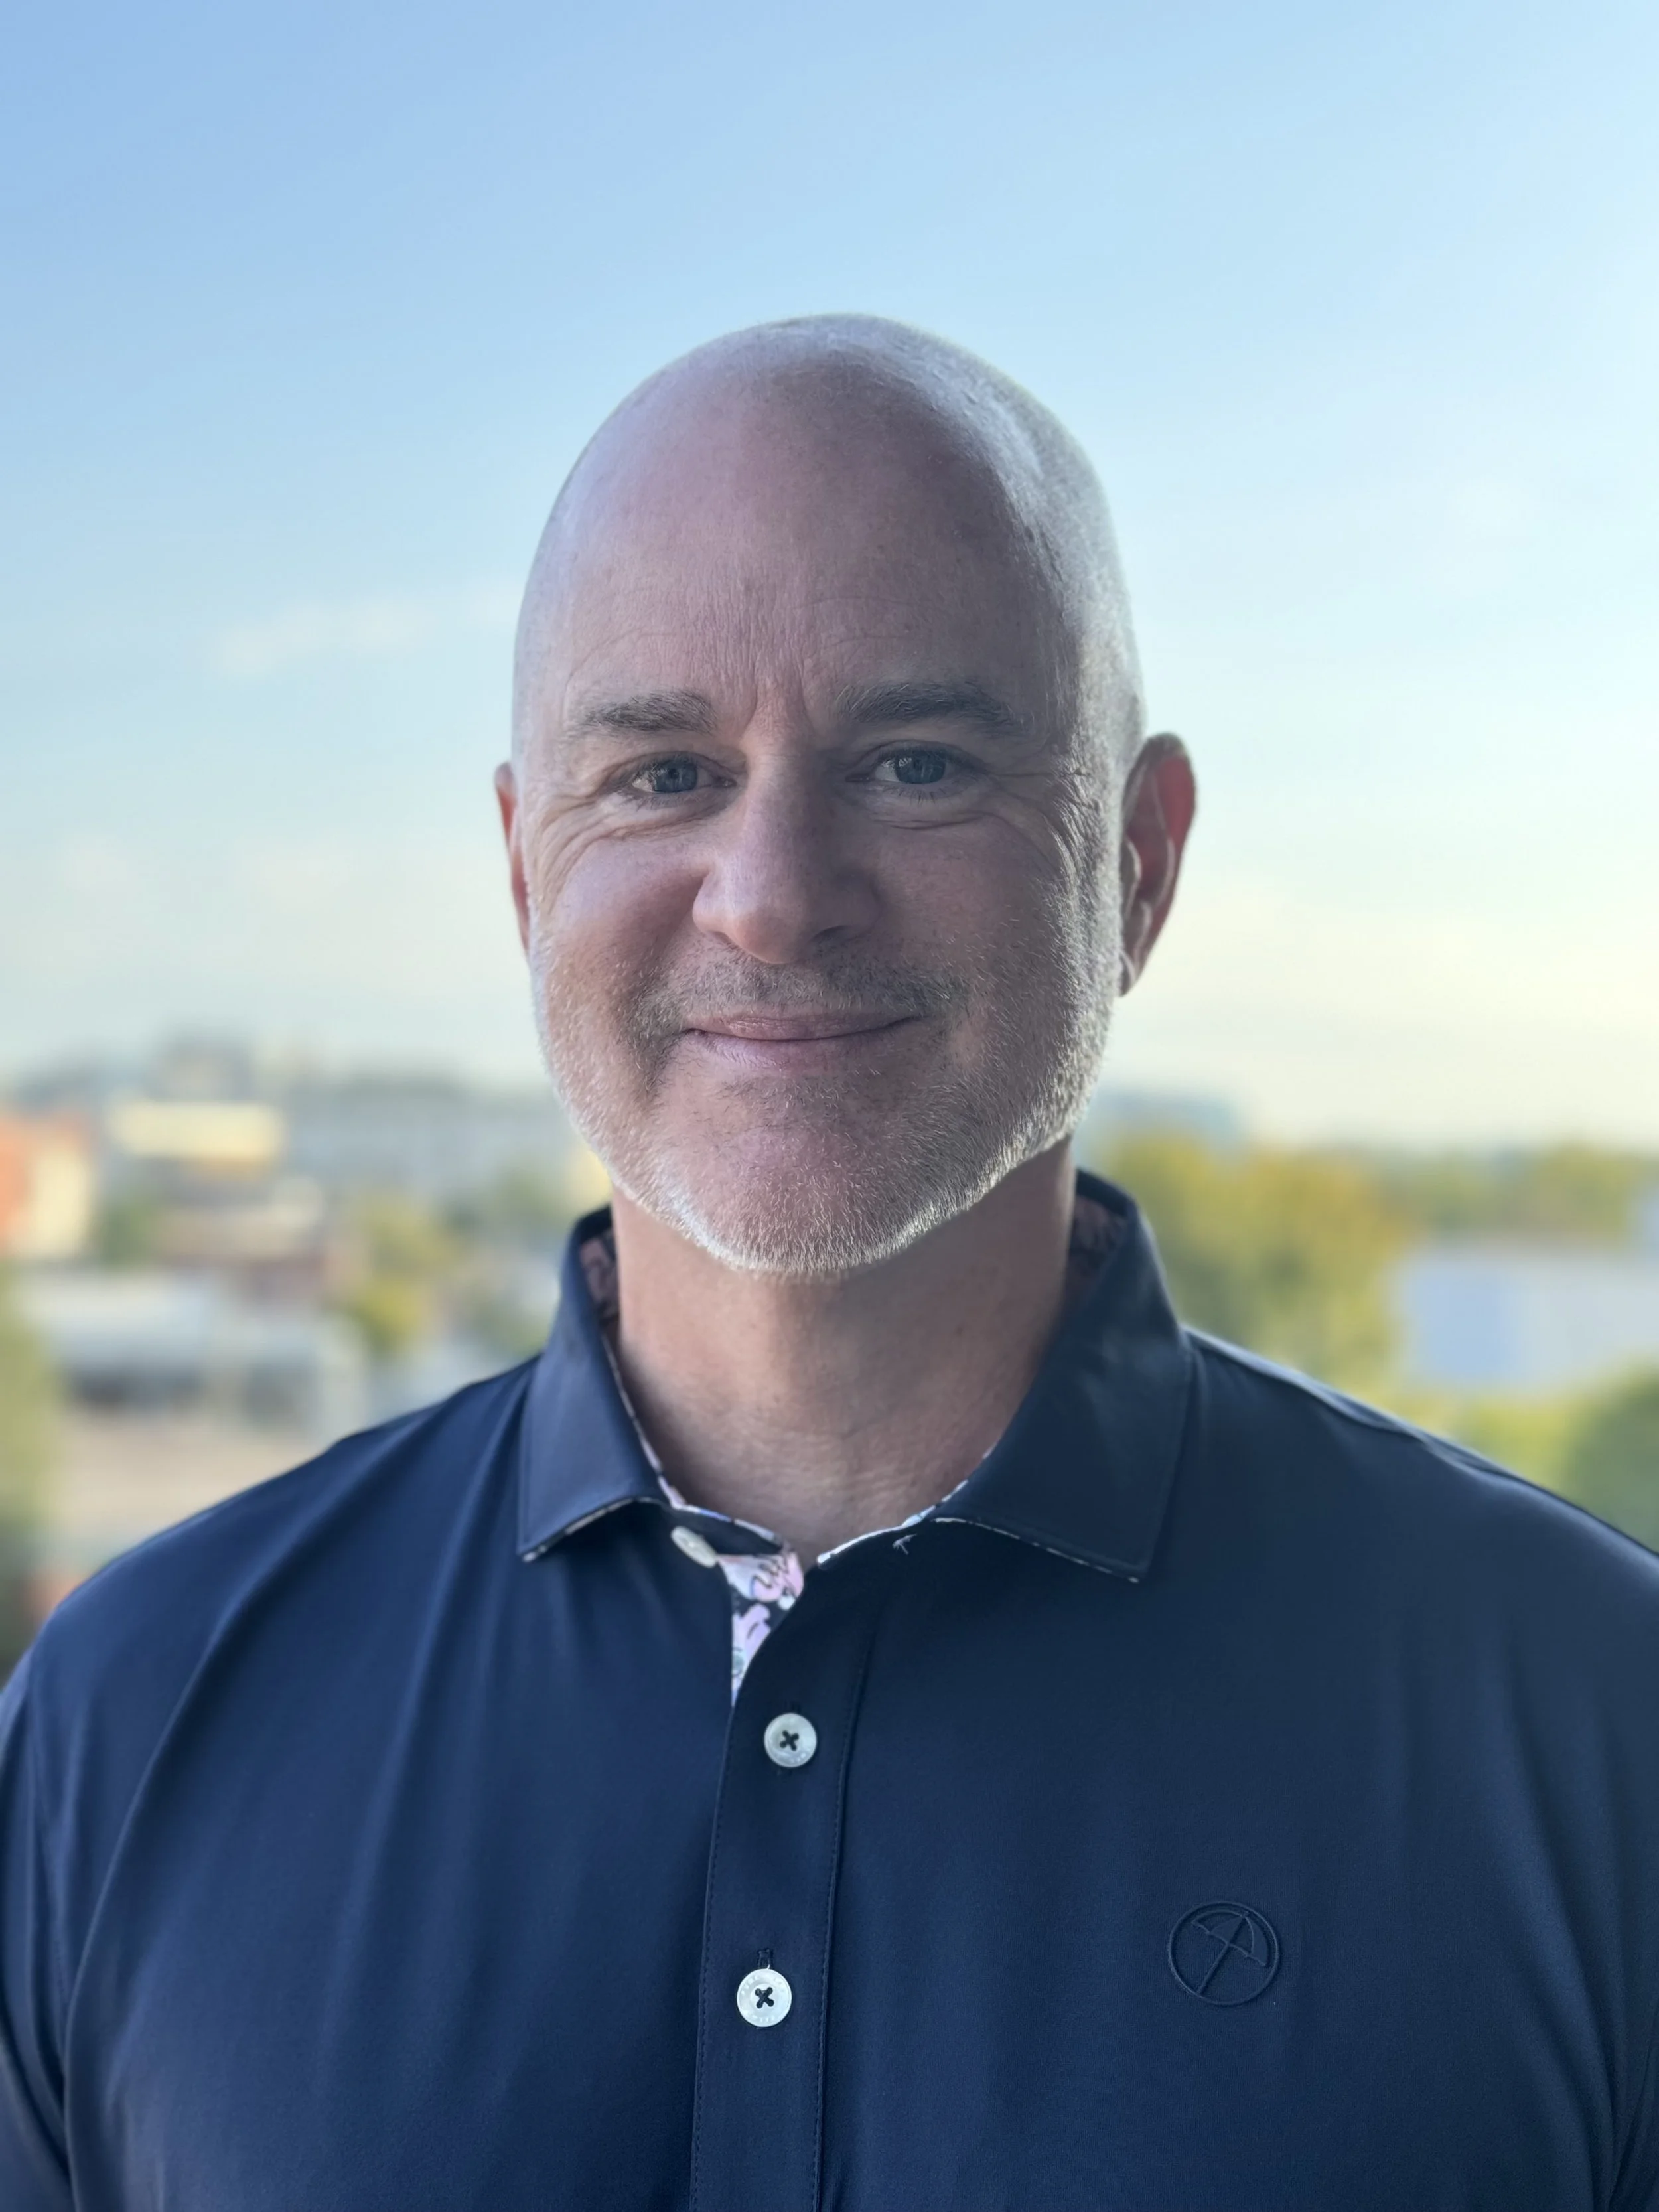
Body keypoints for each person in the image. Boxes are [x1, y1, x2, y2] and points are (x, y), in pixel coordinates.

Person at [3, 317, 1657, 2212]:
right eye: (660, 772)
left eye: (918, 758)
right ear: (524, 865)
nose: (773, 888)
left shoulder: (1595, 1722)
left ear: (1140, 856)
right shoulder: (125, 1720)